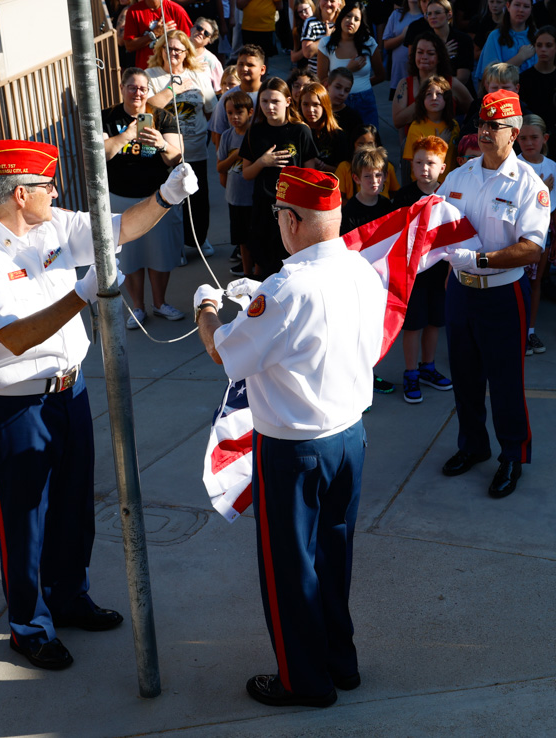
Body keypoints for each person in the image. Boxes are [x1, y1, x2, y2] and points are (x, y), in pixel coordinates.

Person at [0, 138, 197, 670]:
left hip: (69, 392)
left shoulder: (52, 224)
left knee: (72, 508)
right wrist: (83, 293)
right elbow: (14, 338)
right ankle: (28, 625)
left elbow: (120, 229)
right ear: (20, 194)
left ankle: (67, 597)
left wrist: (166, 197)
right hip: (15, 407)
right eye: (46, 185)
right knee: (25, 520)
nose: (55, 192)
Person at [194, 166, 386, 708]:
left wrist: (207, 309)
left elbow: (224, 353)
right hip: (349, 437)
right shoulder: (360, 270)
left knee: (290, 567)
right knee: (333, 555)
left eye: (280, 216)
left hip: (295, 449)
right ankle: (339, 662)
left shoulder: (285, 289)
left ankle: (303, 680)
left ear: (293, 221)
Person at [438, 90, 549, 498]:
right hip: (460, 292)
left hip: (502, 294)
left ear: (514, 133)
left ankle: (512, 456)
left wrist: (481, 260)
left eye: (495, 126)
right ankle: (473, 445)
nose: (485, 132)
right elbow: (433, 217)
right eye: (482, 124)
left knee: (505, 382)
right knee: (464, 378)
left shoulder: (529, 185)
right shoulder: (461, 175)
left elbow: (533, 247)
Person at [104, 67, 186, 329]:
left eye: (142, 88)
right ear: (122, 88)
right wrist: (127, 135)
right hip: (121, 197)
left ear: (148, 91)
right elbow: (102, 154)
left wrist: (161, 143)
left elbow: (177, 157)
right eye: (132, 87)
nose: (137, 93)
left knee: (160, 253)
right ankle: (137, 307)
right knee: (130, 256)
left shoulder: (162, 118)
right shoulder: (107, 118)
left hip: (158, 197)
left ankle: (160, 304)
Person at [147, 31, 218, 259]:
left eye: (178, 49)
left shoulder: (197, 74)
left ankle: (199, 239)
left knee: (198, 198)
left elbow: (211, 109)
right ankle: (175, 246)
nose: (173, 52)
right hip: (165, 152)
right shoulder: (151, 76)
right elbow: (147, 108)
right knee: (171, 199)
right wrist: (172, 90)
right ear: (160, 51)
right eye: (168, 48)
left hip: (196, 148)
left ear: (187, 52)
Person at [392, 135, 453, 402]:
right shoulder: (402, 197)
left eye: (431, 162)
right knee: (413, 325)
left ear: (443, 167)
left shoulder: (450, 194)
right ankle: (410, 372)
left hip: (441, 272)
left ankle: (428, 367)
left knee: (434, 322)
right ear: (411, 166)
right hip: (412, 274)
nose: (424, 168)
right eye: (419, 162)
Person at [240, 77, 321, 277]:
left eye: (275, 101)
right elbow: (246, 173)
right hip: (263, 207)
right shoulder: (254, 132)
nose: (269, 106)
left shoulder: (300, 130)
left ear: (287, 101)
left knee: (291, 266)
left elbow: (311, 175)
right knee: (264, 264)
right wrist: (262, 162)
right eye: (264, 101)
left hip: (292, 209)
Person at [516, 114, 556, 355]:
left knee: (535, 283)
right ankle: (515, 331)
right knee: (516, 284)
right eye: (522, 138)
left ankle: (529, 332)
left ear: (544, 138)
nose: (528, 142)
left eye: (534, 137)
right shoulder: (514, 166)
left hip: (543, 237)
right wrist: (540, 190)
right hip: (518, 239)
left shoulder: (553, 166)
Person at [317, 0, 385, 127]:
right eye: (348, 16)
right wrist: (348, 70)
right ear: (341, 17)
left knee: (368, 142)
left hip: (365, 101)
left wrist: (363, 87)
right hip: (337, 101)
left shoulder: (369, 43)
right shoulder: (326, 43)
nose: (351, 21)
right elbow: (322, 79)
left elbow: (381, 75)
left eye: (356, 19)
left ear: (361, 23)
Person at [217, 90, 255, 276]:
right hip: (235, 198)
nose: (234, 117)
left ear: (250, 112)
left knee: (255, 238)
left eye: (239, 112)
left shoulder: (255, 135)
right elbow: (220, 167)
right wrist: (236, 155)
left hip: (254, 197)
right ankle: (247, 273)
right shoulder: (226, 136)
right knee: (242, 240)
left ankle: (257, 271)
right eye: (230, 113)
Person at [473, 0, 537, 82]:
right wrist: (521, 57)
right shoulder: (495, 36)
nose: (521, 10)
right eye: (517, 5)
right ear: (508, 6)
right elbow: (490, 75)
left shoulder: (537, 36)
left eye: (526, 6)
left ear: (531, 9)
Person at [339, 145, 396, 233]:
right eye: (367, 176)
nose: (374, 181)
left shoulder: (387, 205)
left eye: (378, 175)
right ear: (356, 178)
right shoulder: (349, 211)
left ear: (385, 176)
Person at [124, 0, 193, 70]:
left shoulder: (177, 10)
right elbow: (129, 46)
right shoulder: (134, 11)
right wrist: (153, 34)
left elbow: (190, 43)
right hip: (146, 70)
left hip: (173, 71)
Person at [300, 0, 343, 76]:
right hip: (316, 78)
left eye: (332, 1)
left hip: (339, 77)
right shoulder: (311, 22)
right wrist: (326, 37)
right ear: (319, 1)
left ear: (339, 4)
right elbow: (307, 52)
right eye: (325, 0)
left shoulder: (343, 23)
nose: (328, 3)